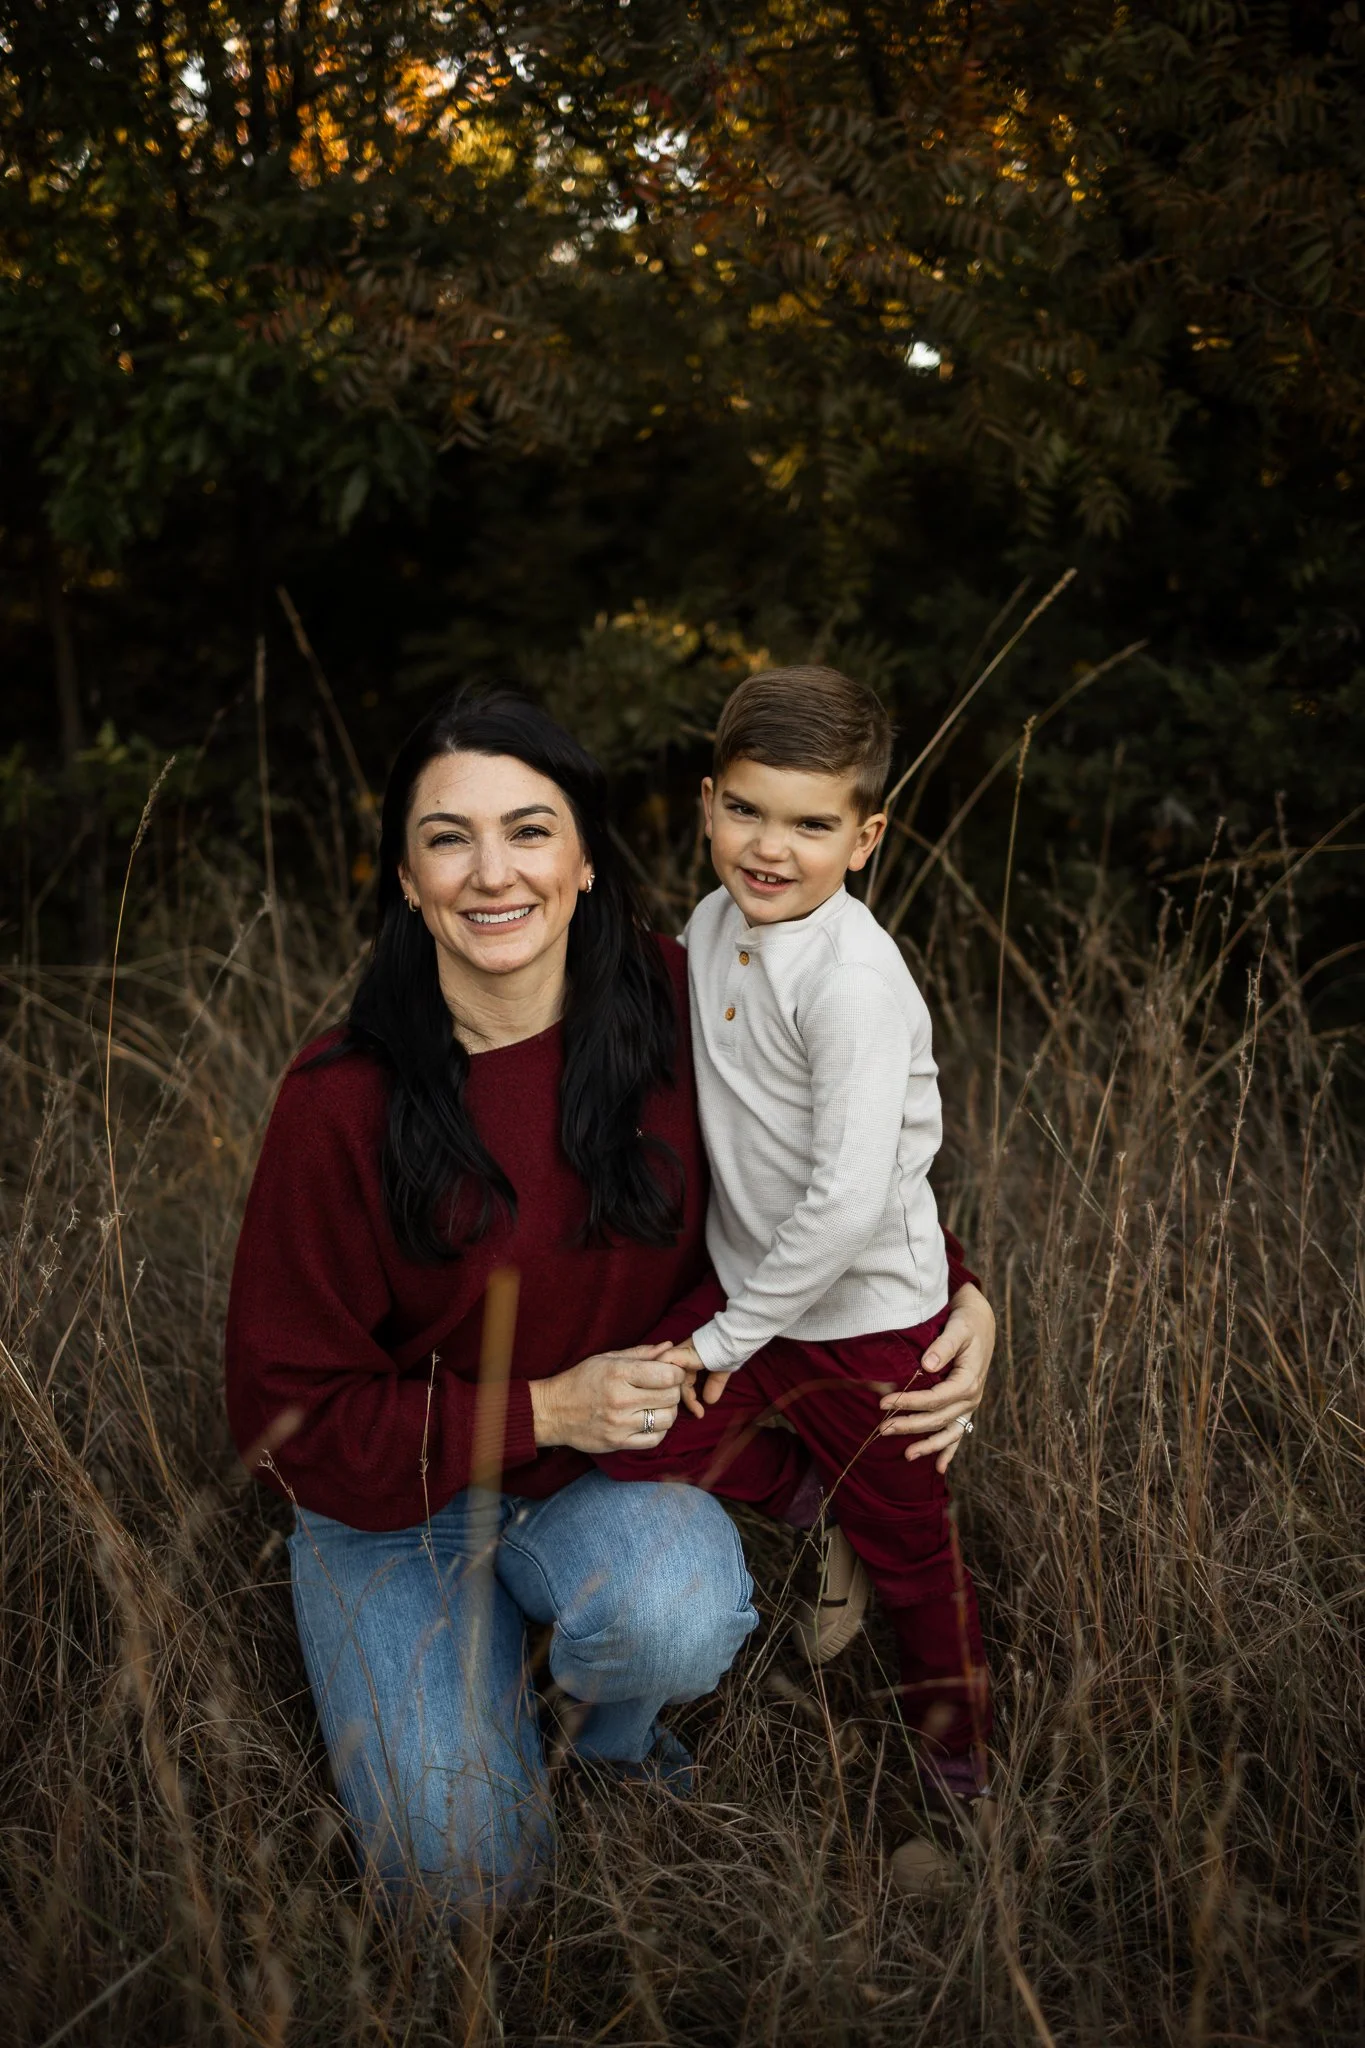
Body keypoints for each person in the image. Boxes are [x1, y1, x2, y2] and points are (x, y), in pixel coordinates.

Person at [224, 687, 996, 1912]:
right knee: (463, 1885)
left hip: (602, 1479)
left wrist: (958, 1289)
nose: (494, 873)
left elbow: (825, 1162)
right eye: (448, 838)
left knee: (675, 1610)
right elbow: (283, 1418)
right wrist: (544, 1407)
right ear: (407, 878)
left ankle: (607, 1739)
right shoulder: (339, 1101)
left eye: (530, 830)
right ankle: (475, 1672)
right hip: (390, 1510)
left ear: (585, 858)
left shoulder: (682, 996)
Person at [601, 666, 995, 1885]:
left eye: (812, 823)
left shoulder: (853, 983)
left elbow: (846, 1205)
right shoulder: (715, 924)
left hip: (867, 1318)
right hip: (750, 1284)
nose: (771, 848)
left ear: (866, 837)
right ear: (707, 803)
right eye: (747, 810)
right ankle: (814, 1501)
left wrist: (725, 1337)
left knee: (917, 1560)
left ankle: (960, 1777)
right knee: (631, 1426)